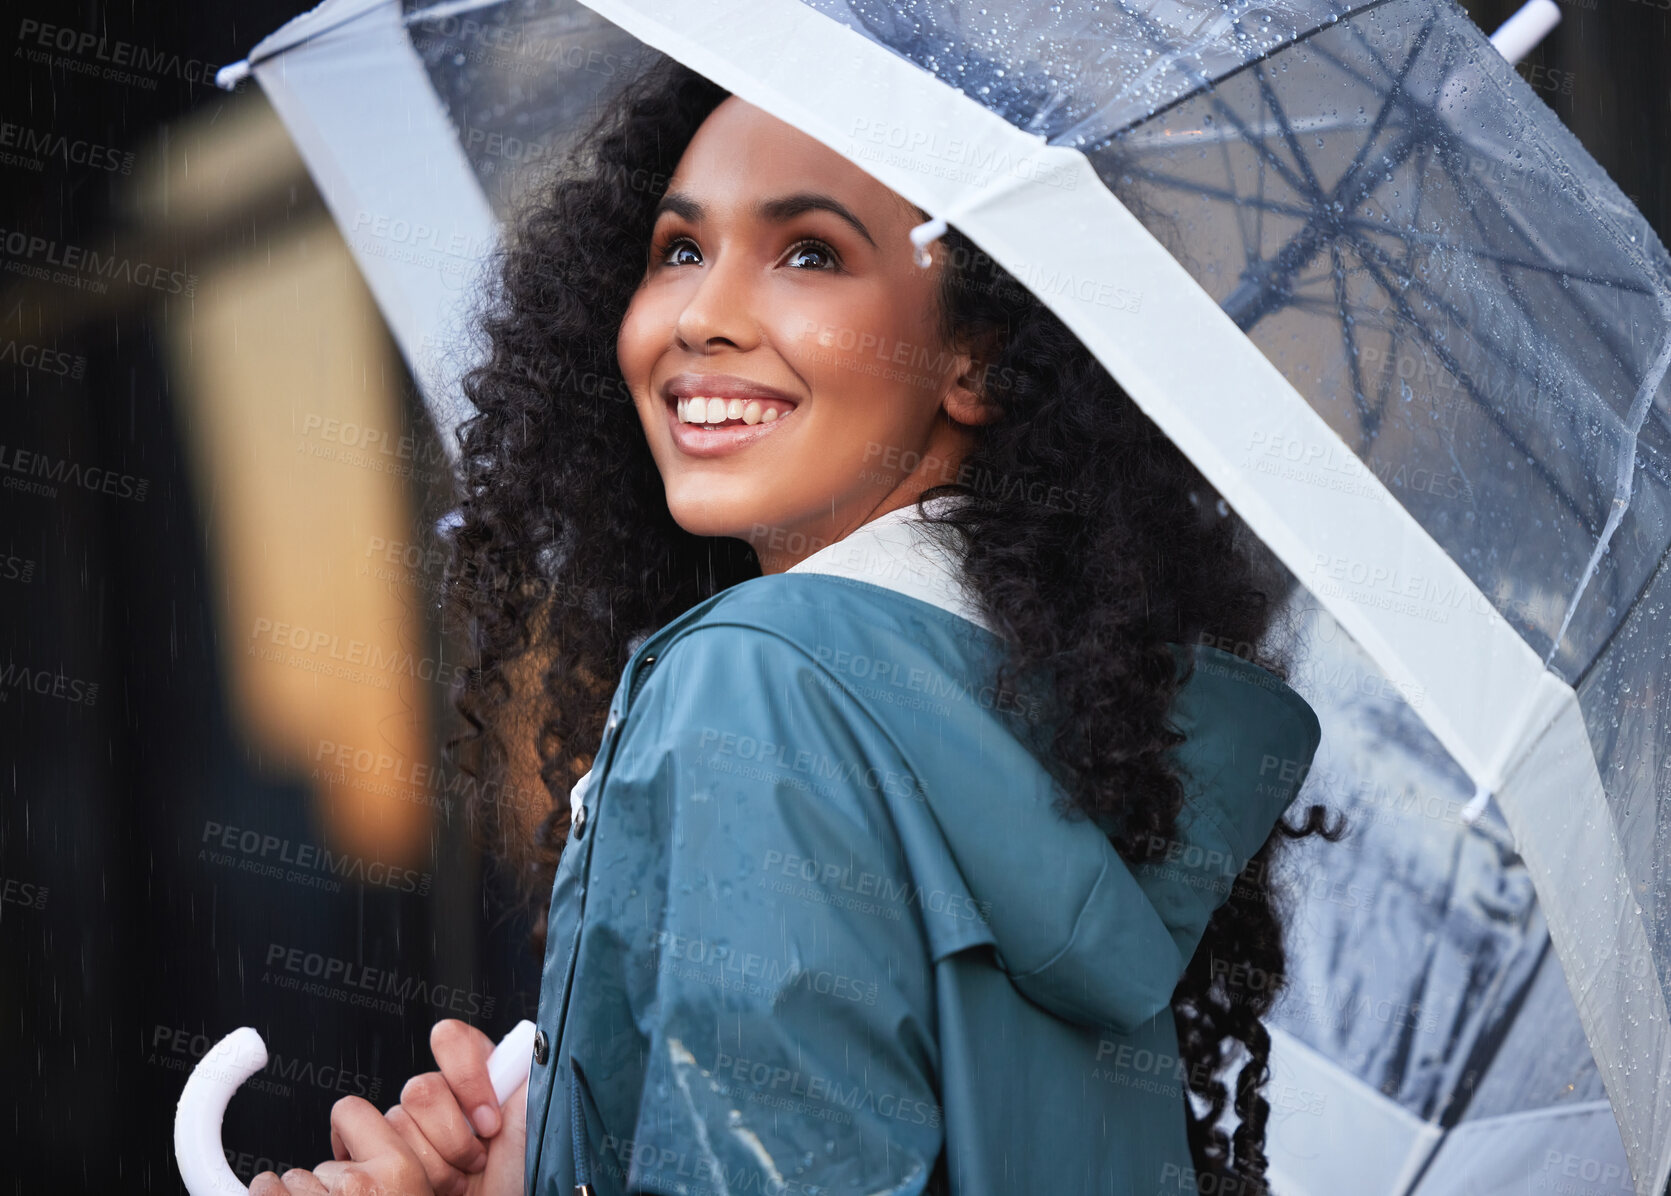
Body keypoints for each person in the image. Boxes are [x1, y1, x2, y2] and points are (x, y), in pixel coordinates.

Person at [252, 52, 1332, 1196]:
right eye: (678, 249)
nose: (703, 316)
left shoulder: (754, 685)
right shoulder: (1068, 748)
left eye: (809, 251)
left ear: (979, 354)